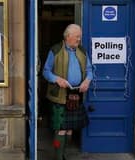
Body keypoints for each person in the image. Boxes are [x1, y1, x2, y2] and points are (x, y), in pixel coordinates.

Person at [43, 24, 93, 160]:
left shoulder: (82, 51)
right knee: (61, 129)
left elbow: (90, 70)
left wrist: (87, 81)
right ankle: (59, 156)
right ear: (67, 37)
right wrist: (56, 79)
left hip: (76, 94)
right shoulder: (55, 50)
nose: (79, 40)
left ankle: (64, 152)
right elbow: (45, 71)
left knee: (70, 129)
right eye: (77, 37)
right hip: (59, 95)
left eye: (80, 37)